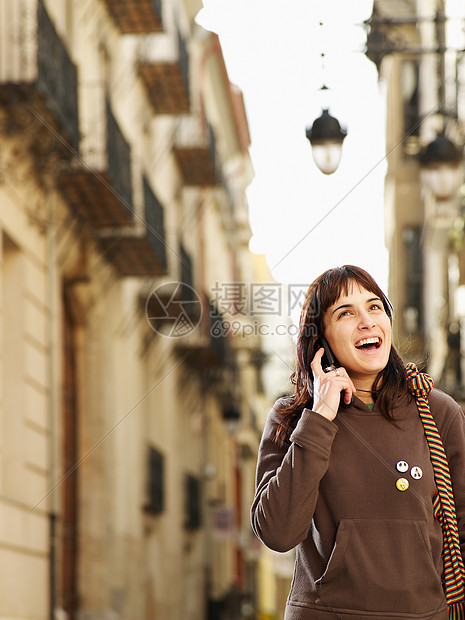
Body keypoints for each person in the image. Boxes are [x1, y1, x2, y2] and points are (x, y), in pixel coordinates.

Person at [251, 265, 465, 620]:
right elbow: (277, 532)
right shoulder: (292, 418)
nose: (366, 321)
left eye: (375, 307)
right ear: (320, 340)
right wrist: (319, 417)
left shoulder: (437, 411)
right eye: (346, 313)